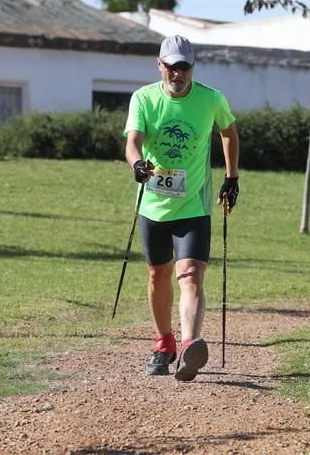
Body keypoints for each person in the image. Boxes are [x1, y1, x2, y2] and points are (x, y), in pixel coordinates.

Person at [124, 35, 240, 381]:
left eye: (184, 67)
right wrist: (136, 164)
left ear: (193, 66)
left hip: (194, 206)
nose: (177, 73)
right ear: (159, 65)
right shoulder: (144, 98)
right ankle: (164, 342)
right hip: (153, 206)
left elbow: (229, 132)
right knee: (158, 274)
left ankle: (190, 344)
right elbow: (133, 141)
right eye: (171, 66)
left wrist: (231, 178)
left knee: (190, 274)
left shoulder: (211, 99)